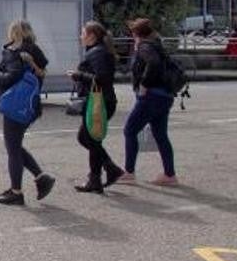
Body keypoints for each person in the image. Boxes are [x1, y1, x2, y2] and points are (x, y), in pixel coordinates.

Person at [0, 19, 55, 206]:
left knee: (12, 148)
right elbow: (42, 74)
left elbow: (10, 76)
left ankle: (16, 191)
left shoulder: (13, 51)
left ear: (13, 33)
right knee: (15, 145)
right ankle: (41, 177)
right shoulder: (35, 50)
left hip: (14, 105)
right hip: (31, 105)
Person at [114, 18, 179, 187]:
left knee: (130, 130)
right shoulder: (157, 43)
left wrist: (144, 84)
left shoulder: (145, 46)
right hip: (165, 95)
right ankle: (169, 174)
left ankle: (129, 172)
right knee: (160, 135)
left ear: (136, 33)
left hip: (151, 96)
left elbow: (153, 64)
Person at [70, 21, 124, 193]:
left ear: (91, 36)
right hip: (100, 101)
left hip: (99, 102)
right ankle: (105, 171)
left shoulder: (97, 53)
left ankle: (100, 176)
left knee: (89, 139)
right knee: (88, 139)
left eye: (83, 33)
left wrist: (79, 75)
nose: (80, 36)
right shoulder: (97, 51)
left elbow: (102, 78)